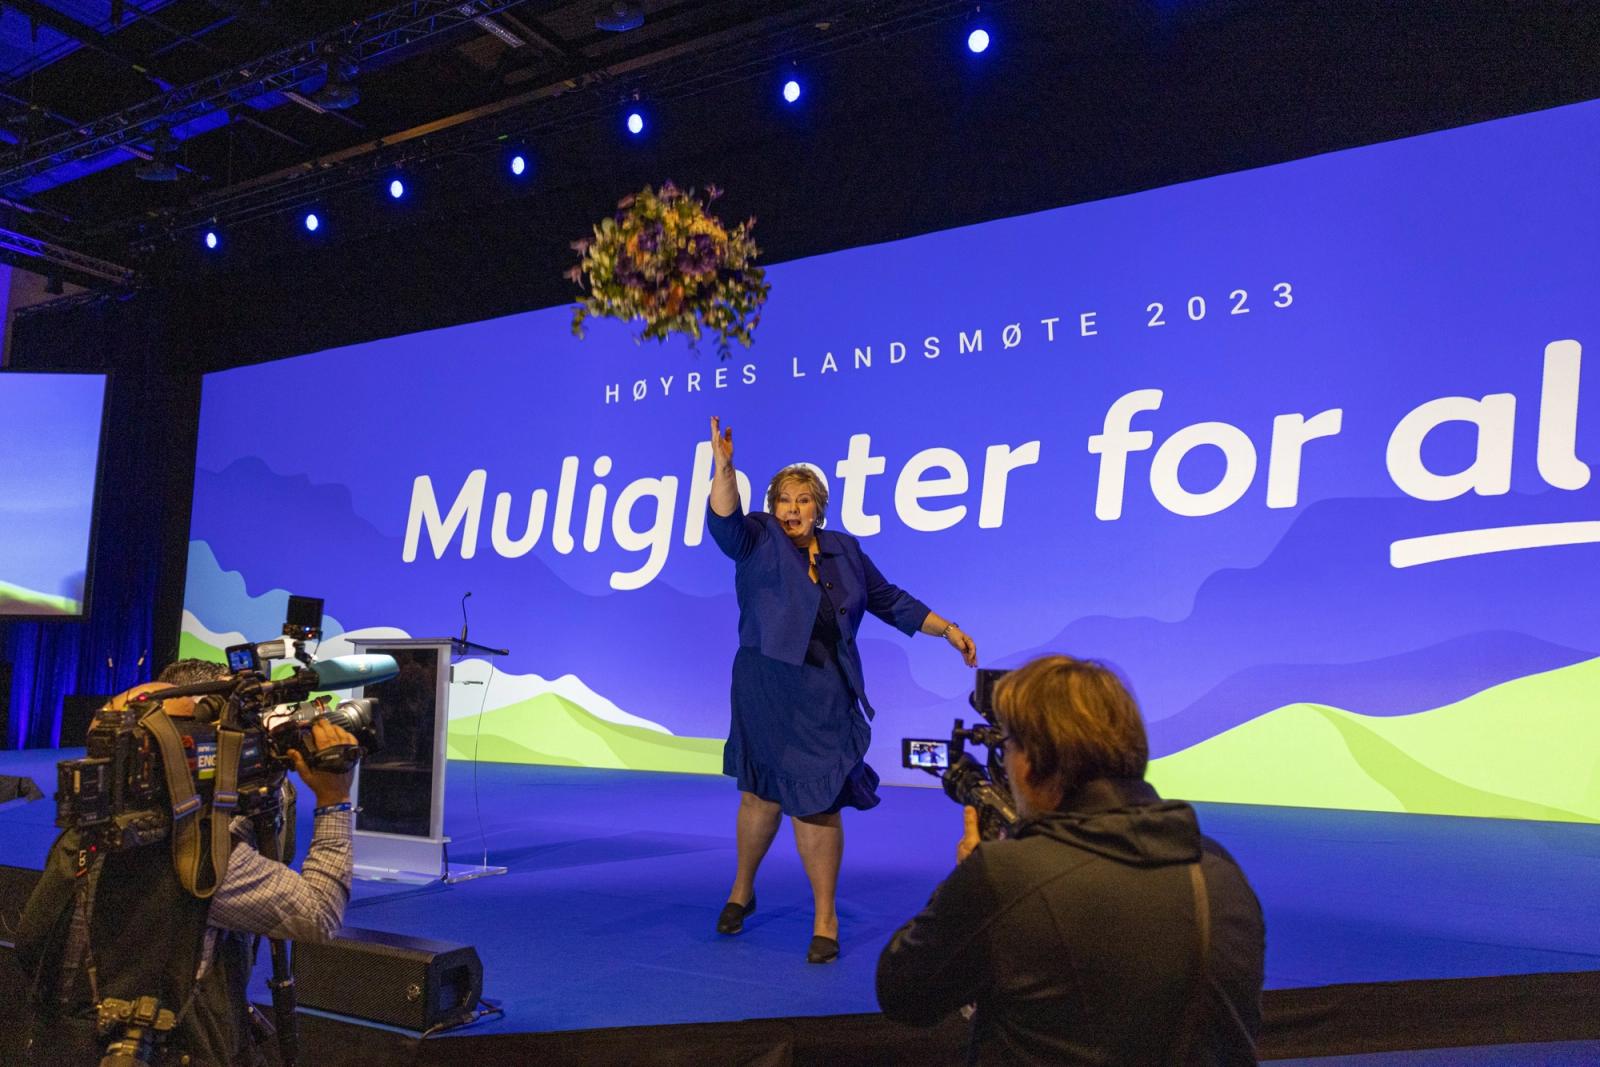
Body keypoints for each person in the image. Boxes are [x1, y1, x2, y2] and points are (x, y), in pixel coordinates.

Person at [876, 654, 1266, 1066]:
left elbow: (904, 994)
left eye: (1007, 747)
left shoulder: (1004, 876)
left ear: (1030, 761)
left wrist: (967, 876)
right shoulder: (1220, 870)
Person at [706, 415, 977, 963]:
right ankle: (742, 890)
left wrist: (947, 629)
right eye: (784, 500)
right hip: (765, 690)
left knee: (819, 802)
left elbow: (889, 599)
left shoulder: (844, 550)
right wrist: (724, 467)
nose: (792, 509)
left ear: (819, 508)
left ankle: (825, 918)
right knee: (760, 794)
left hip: (825, 692)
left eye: (803, 500)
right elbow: (724, 518)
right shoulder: (755, 539)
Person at [16, 658, 359, 1066]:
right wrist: (334, 800)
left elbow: (30, 942)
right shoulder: (201, 857)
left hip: (65, 1041)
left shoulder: (94, 829)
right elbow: (319, 914)